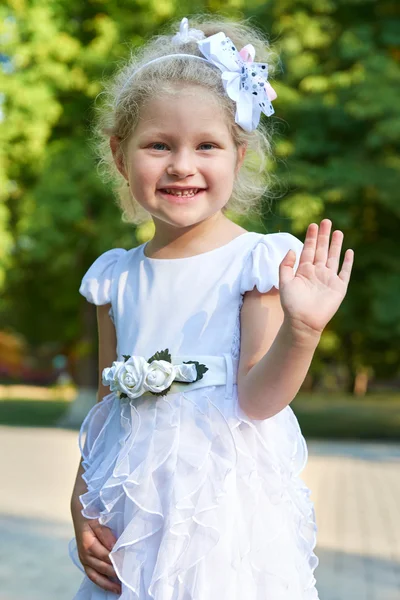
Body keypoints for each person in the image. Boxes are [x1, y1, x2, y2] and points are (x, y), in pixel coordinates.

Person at [69, 16, 354, 600]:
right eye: (158, 145)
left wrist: (301, 330)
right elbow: (106, 406)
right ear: (121, 156)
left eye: (206, 145)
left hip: (219, 517)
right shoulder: (115, 278)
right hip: (132, 513)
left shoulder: (256, 264)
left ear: (238, 155)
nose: (181, 164)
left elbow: (257, 400)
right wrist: (80, 503)